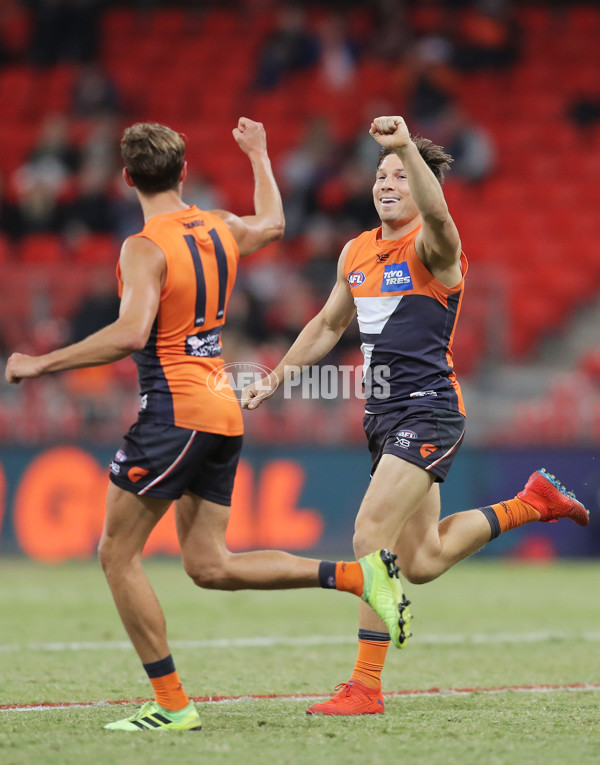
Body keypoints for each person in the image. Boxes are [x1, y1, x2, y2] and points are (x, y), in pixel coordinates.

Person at [4, 117, 410, 731]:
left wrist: (42, 363)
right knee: (209, 565)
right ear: (184, 171)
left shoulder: (142, 247)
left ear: (125, 180)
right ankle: (359, 575)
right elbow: (273, 224)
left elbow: (132, 333)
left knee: (116, 554)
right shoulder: (217, 225)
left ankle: (171, 704)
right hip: (221, 407)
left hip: (175, 412)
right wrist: (260, 154)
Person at [242, 115, 590, 716]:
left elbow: (442, 220)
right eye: (382, 173)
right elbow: (328, 325)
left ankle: (365, 687)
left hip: (427, 409)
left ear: (423, 184)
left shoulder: (435, 247)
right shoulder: (356, 250)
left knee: (366, 535)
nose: (388, 182)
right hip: (382, 413)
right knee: (422, 560)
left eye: (402, 175)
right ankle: (532, 502)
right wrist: (277, 378)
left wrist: (404, 144)